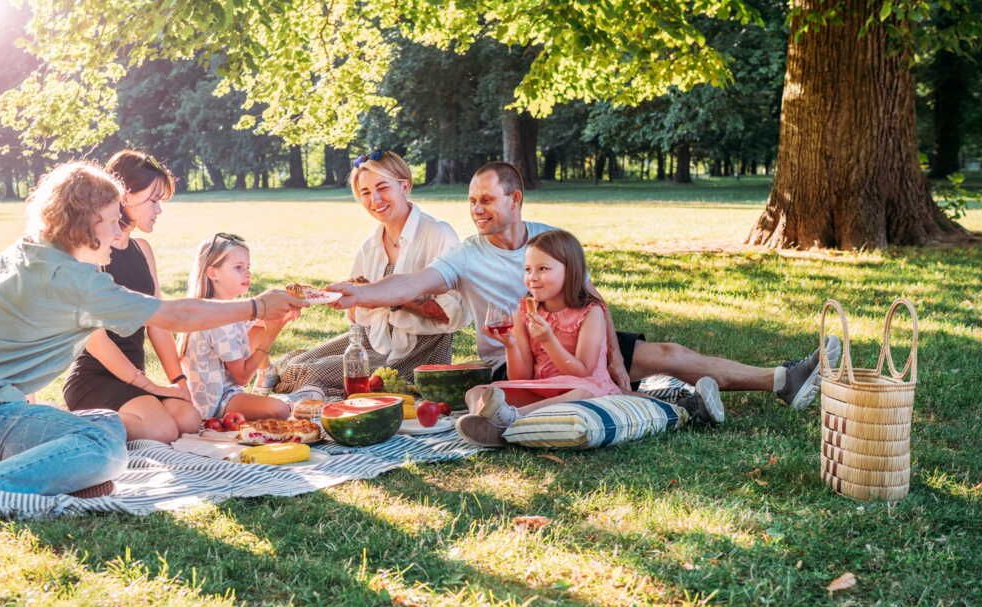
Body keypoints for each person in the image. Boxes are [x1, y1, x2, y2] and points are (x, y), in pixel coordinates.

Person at [0, 162, 304, 524]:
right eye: (111, 220)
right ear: (86, 222)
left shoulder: (25, 253)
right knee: (104, 448)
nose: (117, 230)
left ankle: (58, 475)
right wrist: (256, 307)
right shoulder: (73, 281)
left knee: (106, 422)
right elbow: (175, 316)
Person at [329, 161, 839, 436]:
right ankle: (675, 402)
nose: (476, 210)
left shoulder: (552, 239)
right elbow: (412, 285)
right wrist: (362, 292)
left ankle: (781, 380)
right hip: (519, 359)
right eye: (471, 201)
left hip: (578, 340)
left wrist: (614, 357)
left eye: (486, 200)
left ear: (515, 199)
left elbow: (592, 300)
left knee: (668, 353)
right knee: (536, 393)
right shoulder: (466, 254)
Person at [455, 230, 721, 445]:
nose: (532, 278)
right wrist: (511, 345)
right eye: (527, 269)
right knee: (476, 391)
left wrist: (548, 341)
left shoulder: (590, 312)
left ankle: (511, 419)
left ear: (570, 270)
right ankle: (484, 423)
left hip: (585, 386)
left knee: (581, 392)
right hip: (544, 389)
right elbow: (520, 377)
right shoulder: (524, 310)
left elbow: (583, 370)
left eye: (543, 269)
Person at [272, 150, 468, 397]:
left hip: (416, 351)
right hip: (371, 340)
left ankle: (320, 396)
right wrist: (343, 297)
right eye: (365, 192)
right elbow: (358, 316)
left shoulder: (437, 234)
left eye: (382, 188)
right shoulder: (371, 245)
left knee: (304, 373)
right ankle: (304, 393)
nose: (375, 199)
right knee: (289, 363)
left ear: (404, 186)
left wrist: (384, 297)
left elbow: (453, 316)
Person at [62, 150, 201, 442]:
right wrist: (148, 385)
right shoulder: (92, 253)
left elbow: (158, 324)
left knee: (188, 419)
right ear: (124, 196)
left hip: (135, 378)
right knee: (161, 430)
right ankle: (64, 425)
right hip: (95, 378)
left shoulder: (142, 250)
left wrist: (178, 381)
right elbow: (94, 338)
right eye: (153, 200)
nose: (159, 210)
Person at [179, 233, 295, 421]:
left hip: (220, 395)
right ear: (213, 273)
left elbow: (256, 324)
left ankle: (265, 376)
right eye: (238, 267)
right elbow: (242, 377)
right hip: (215, 405)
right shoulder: (219, 320)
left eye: (248, 267)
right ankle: (266, 382)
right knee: (281, 409)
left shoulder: (216, 308)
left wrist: (278, 315)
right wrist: (273, 332)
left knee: (258, 324)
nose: (247, 273)